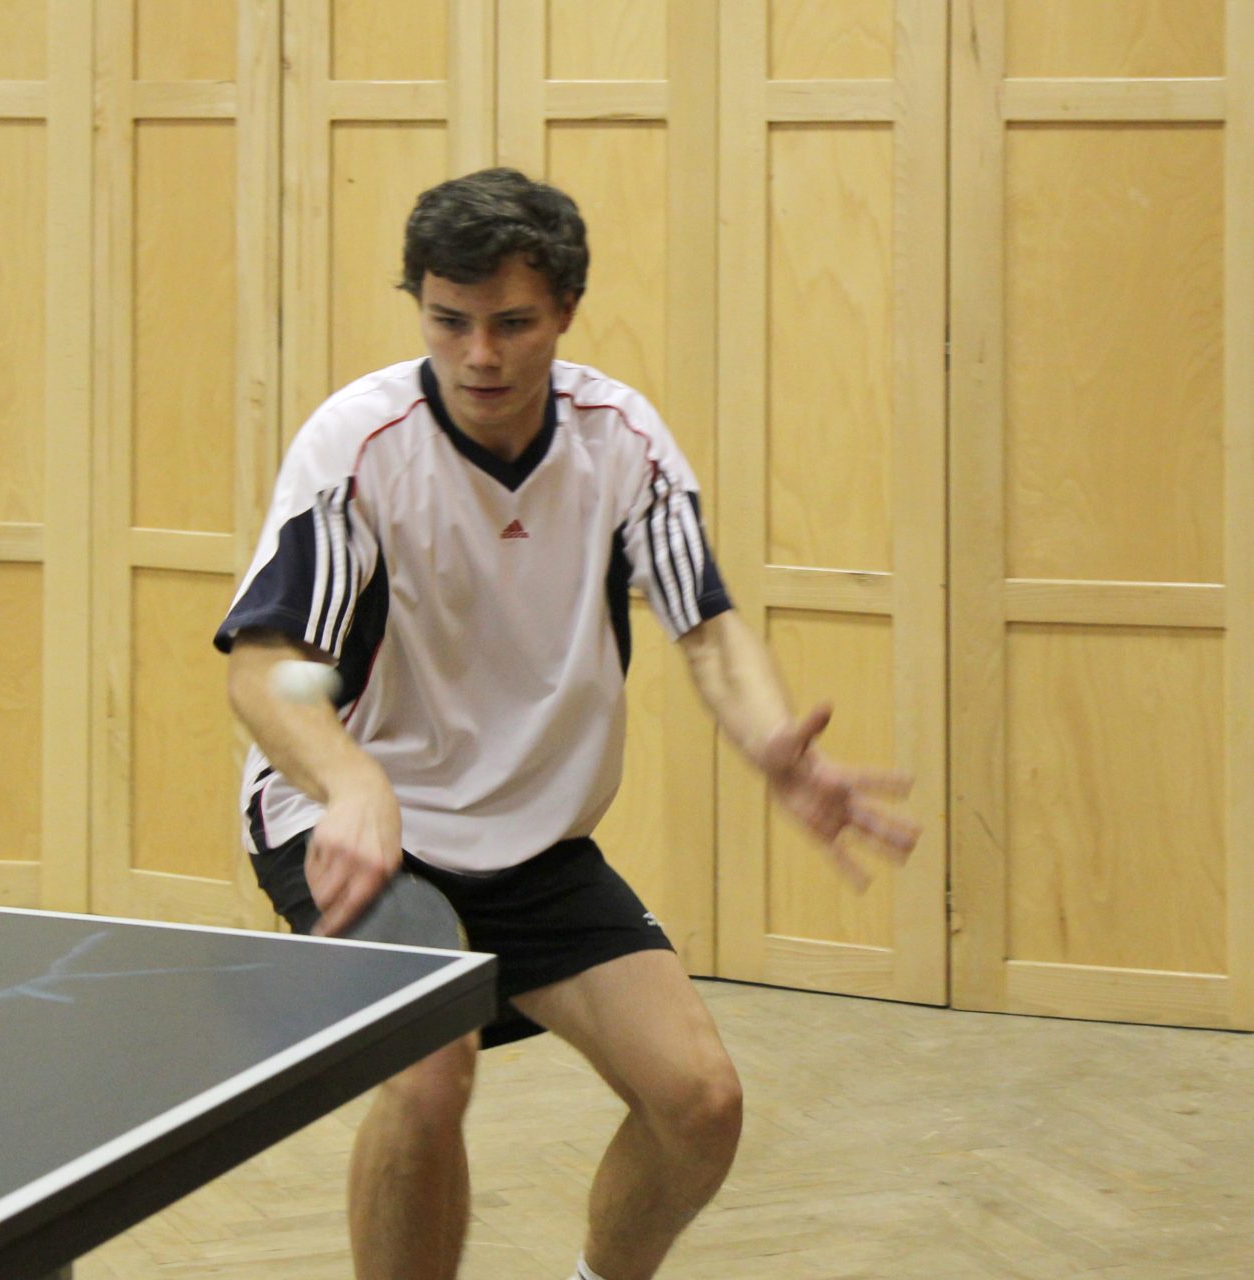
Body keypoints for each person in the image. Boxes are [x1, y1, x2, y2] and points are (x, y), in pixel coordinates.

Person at [214, 168, 919, 1280]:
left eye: (512, 323)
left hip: (532, 839)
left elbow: (707, 630)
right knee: (429, 1069)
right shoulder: (358, 444)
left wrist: (771, 740)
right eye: (449, 321)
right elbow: (270, 670)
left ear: (566, 313)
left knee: (700, 1103)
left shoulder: (621, 441)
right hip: (354, 828)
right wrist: (349, 780)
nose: (479, 356)